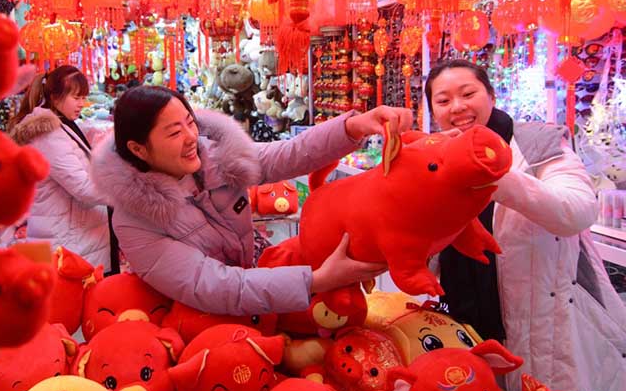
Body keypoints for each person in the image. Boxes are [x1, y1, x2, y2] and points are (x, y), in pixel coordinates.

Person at [424, 58, 626, 391]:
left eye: (468, 94)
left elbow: (577, 210)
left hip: (545, 329)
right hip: (466, 328)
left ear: (490, 94)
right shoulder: (431, 156)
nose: (458, 107)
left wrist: (494, 177)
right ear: (433, 110)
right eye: (443, 100)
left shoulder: (537, 144)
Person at [92, 85, 413, 318]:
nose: (191, 137)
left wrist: (352, 127)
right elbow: (209, 286)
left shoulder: (215, 157)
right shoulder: (134, 221)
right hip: (199, 322)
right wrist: (316, 281)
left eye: (190, 122)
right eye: (174, 133)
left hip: (259, 285)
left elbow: (285, 155)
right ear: (138, 149)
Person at [9, 65, 111, 268]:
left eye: (83, 97)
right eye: (76, 97)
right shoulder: (49, 135)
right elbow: (83, 188)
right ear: (55, 97)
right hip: (69, 239)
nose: (82, 104)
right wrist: (125, 190)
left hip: (73, 235)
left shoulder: (62, 126)